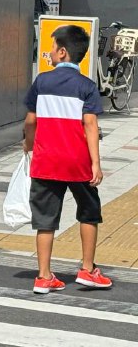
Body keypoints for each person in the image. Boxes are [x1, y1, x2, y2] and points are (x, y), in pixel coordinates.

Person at [23, 25, 112, 294]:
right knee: (89, 211)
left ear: (62, 52)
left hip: (46, 160)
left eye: (51, 48)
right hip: (78, 161)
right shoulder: (86, 85)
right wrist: (96, 163)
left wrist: (28, 145)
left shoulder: (41, 81)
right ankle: (87, 269)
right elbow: (91, 124)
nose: (48, 53)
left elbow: (30, 121)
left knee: (45, 218)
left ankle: (43, 275)